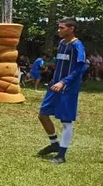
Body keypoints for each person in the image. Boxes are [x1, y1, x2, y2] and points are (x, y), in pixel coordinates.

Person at [37, 18, 88, 164]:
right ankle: (54, 144)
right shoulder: (61, 43)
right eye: (59, 28)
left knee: (66, 121)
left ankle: (61, 155)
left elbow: (81, 67)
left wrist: (64, 82)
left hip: (68, 88)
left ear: (71, 29)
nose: (59, 30)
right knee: (43, 115)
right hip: (54, 86)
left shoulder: (77, 45)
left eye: (62, 28)